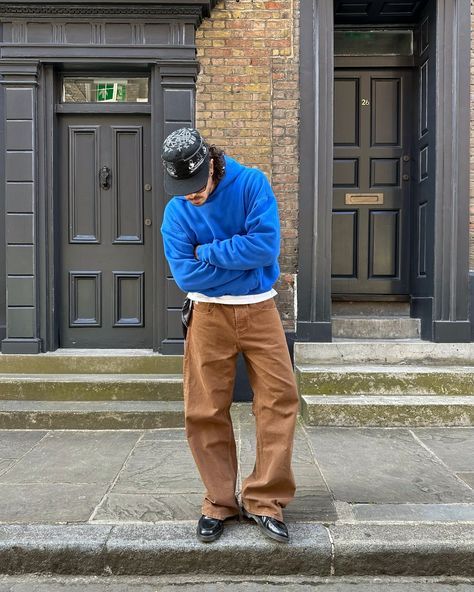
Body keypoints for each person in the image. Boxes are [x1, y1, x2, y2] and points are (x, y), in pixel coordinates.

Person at [160, 128, 299, 544]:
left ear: (212, 165)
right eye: (181, 189)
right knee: (204, 408)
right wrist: (231, 256)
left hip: (260, 309)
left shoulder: (251, 184)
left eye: (195, 185)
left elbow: (264, 248)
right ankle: (219, 502)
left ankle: (265, 500)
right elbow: (186, 274)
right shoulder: (176, 211)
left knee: (279, 400)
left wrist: (208, 251)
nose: (191, 196)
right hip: (206, 314)